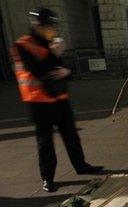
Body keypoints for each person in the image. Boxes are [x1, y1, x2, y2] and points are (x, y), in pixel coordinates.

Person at [10, 8, 103, 192]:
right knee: (45, 142)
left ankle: (81, 165)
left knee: (71, 135)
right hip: (38, 101)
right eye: (50, 26)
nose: (53, 30)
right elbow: (36, 70)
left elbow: (63, 68)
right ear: (38, 26)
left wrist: (67, 71)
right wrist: (54, 54)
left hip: (60, 98)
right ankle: (48, 178)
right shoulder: (22, 45)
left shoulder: (51, 42)